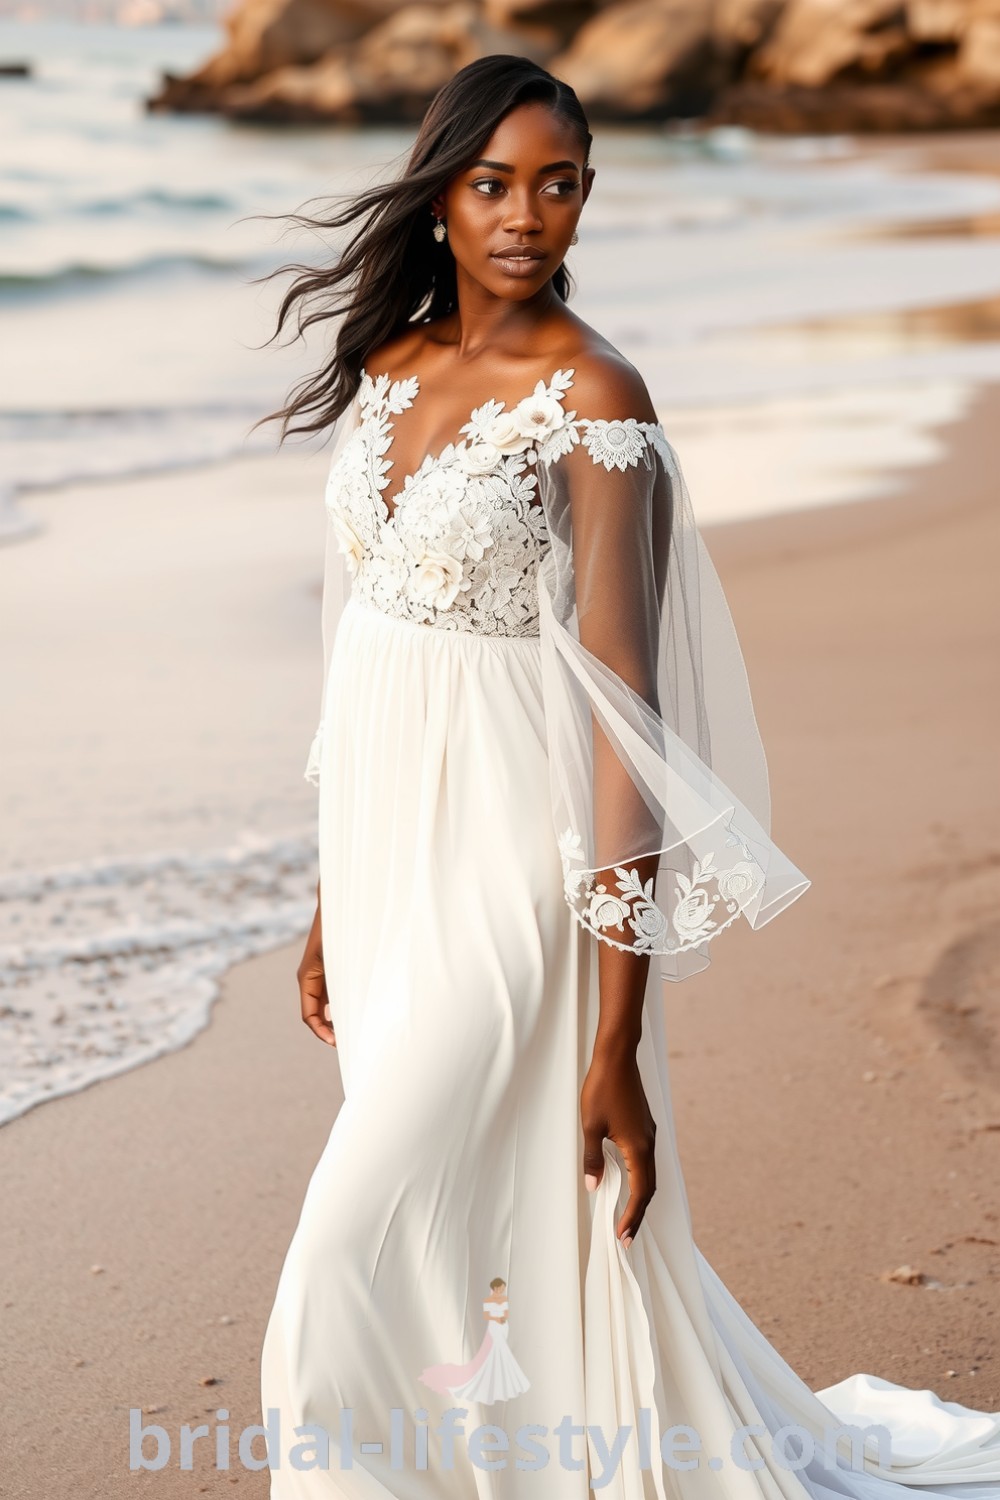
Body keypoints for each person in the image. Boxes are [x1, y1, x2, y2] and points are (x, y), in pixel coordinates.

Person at [259, 53, 1000, 1500]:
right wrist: (328, 893)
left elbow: (625, 719)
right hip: (391, 873)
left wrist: (619, 1032)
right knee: (449, 1232)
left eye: (559, 183)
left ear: (590, 195)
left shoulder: (599, 397)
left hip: (520, 883)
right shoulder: (391, 371)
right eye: (492, 184)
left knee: (351, 1230)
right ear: (441, 197)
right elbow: (361, 648)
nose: (527, 214)